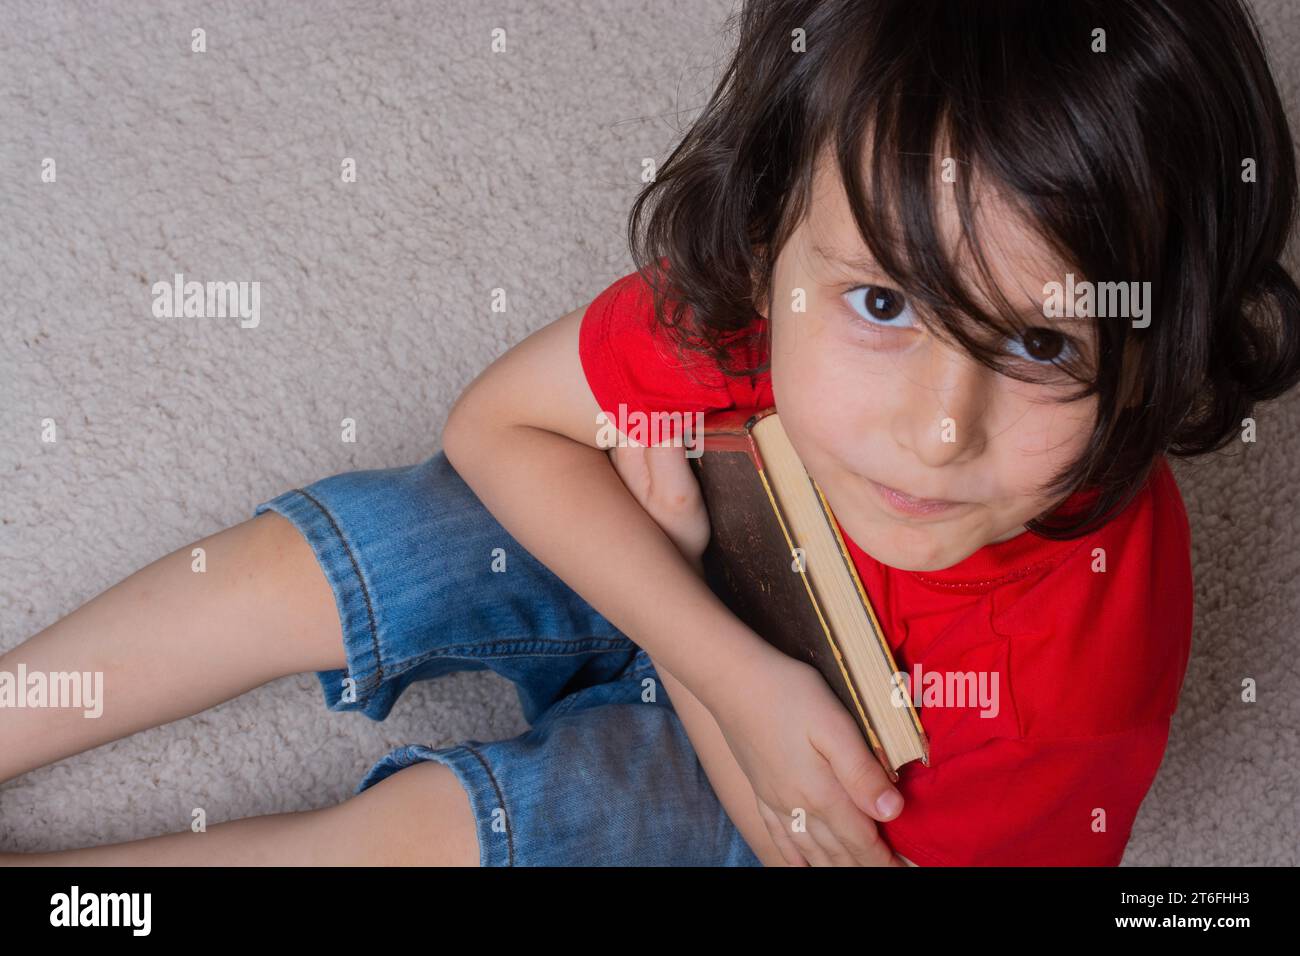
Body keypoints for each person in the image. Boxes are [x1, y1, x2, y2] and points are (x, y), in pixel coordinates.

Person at [3, 0, 1298, 866]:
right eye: (885, 304)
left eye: (1041, 346)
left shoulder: (1062, 699)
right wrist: (710, 636)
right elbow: (497, 425)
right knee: (385, 546)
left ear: (1154, 361)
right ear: (774, 224)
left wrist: (691, 632)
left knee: (469, 833)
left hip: (757, 791)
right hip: (687, 566)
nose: (937, 427)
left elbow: (812, 841)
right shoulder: (752, 301)